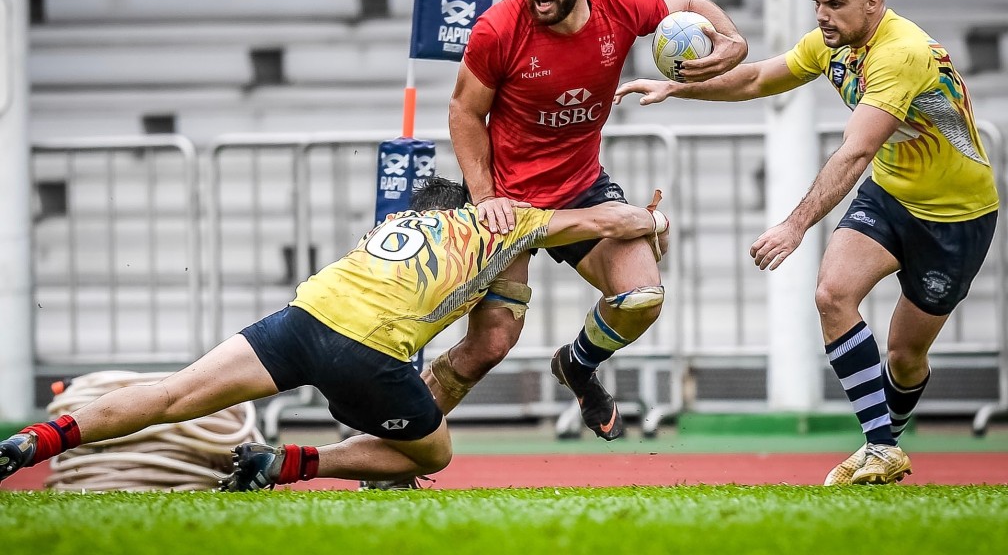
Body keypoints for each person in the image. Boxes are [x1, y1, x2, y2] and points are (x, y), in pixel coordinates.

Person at [0, 177, 670, 491]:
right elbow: (606, 225)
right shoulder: (497, 224)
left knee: (176, 393)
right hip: (368, 349)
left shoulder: (388, 227)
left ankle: (38, 440)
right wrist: (650, 221)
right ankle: (294, 463)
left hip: (305, 314)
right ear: (468, 209)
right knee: (432, 455)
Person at [614, 0, 998, 485]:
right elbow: (758, 78)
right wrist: (677, 87)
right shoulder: (833, 43)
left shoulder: (901, 53)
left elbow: (855, 151)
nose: (823, 15)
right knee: (832, 294)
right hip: (890, 196)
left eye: (836, 3)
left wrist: (794, 225)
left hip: (956, 216)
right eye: (818, 2)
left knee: (905, 356)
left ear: (874, 3)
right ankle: (882, 448)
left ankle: (882, 446)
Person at [422, 0, 747, 442]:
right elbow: (463, 112)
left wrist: (734, 41)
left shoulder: (620, 4)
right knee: (491, 346)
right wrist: (484, 197)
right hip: (511, 204)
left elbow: (691, 6)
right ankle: (399, 444)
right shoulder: (499, 29)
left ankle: (576, 364)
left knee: (641, 297)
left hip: (582, 189)